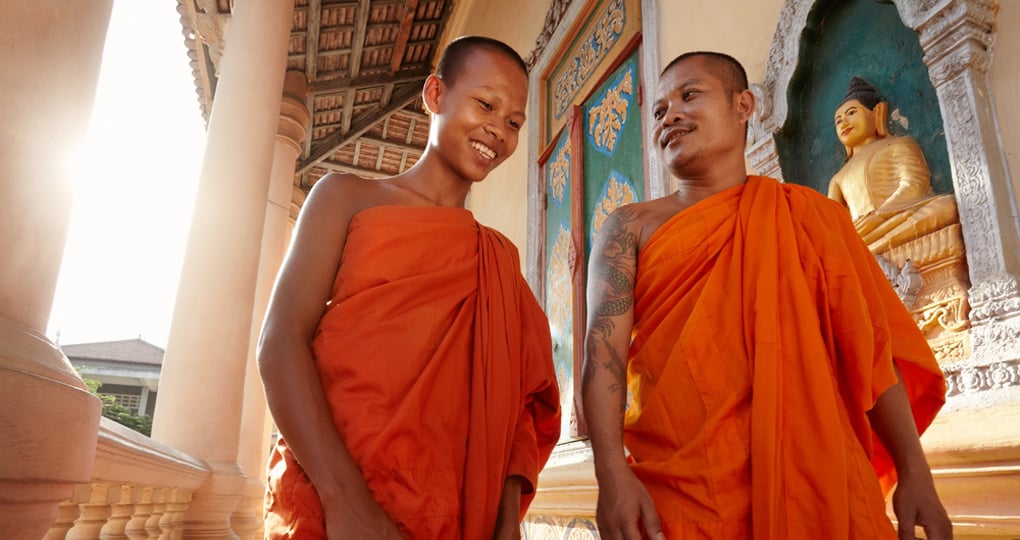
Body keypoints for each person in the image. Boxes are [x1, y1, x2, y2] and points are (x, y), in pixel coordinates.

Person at [581, 51, 951, 539]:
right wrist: (611, 475)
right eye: (658, 110)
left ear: (743, 105)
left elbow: (872, 352)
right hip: (686, 494)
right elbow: (601, 354)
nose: (669, 114)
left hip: (820, 485)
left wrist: (914, 469)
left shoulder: (811, 218)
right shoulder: (629, 226)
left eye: (690, 95)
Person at [257, 35, 561, 540]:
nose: (498, 131)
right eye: (485, 104)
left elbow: (520, 412)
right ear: (436, 94)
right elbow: (280, 342)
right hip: (335, 503)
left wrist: (507, 522)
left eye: (514, 122)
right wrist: (346, 501)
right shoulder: (345, 198)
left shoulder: (498, 261)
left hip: (458, 515)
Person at [828, 76, 959, 256]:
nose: (844, 122)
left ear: (877, 113)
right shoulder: (838, 178)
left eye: (851, 113)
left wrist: (879, 216)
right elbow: (834, 224)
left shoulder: (899, 144)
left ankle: (864, 256)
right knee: (836, 250)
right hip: (862, 233)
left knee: (945, 207)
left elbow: (914, 184)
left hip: (894, 219)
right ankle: (863, 254)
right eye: (838, 121)